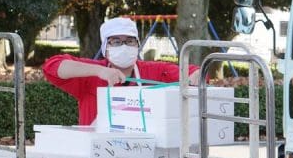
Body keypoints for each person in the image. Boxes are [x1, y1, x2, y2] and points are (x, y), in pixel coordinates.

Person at [43, 17, 190, 126]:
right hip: (98, 155)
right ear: (105, 48)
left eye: (130, 41)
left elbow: (192, 73)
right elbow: (52, 66)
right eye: (116, 42)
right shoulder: (90, 74)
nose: (124, 46)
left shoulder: (156, 71)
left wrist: (195, 75)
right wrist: (100, 71)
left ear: (137, 45)